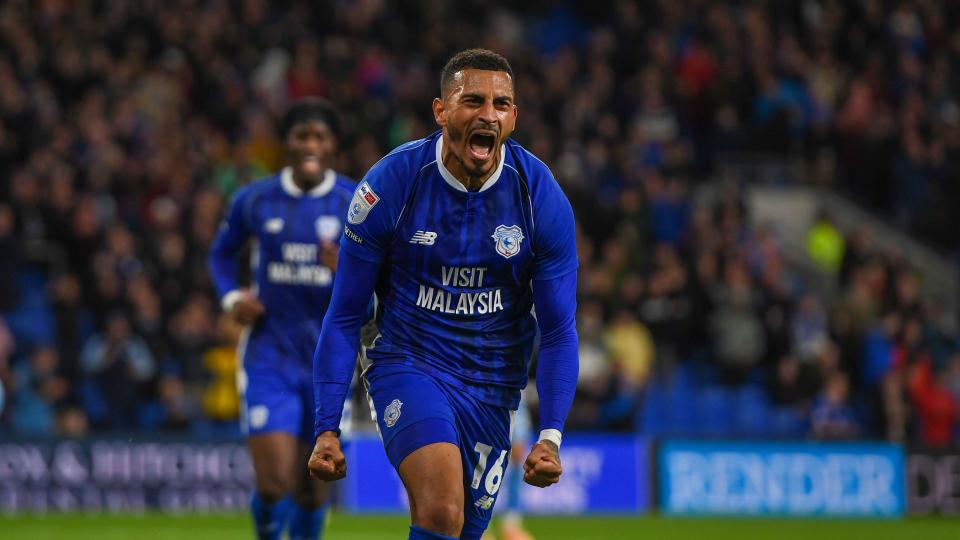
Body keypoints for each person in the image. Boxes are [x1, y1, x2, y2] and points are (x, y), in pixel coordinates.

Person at [309, 49, 580, 540]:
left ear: (514, 117)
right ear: (441, 110)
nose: (488, 114)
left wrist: (551, 435)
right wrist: (328, 426)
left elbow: (559, 329)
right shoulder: (391, 184)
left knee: (460, 532)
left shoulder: (540, 198)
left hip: (493, 385)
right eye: (472, 100)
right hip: (407, 361)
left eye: (501, 104)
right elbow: (345, 314)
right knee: (441, 510)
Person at [209, 98, 356, 540]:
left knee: (313, 492)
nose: (311, 144)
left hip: (329, 362)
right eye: (302, 135)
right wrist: (231, 296)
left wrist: (348, 271)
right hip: (269, 354)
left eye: (320, 137)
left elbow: (378, 288)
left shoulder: (356, 203)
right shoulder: (254, 199)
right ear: (287, 144)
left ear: (333, 146)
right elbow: (220, 254)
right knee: (275, 483)